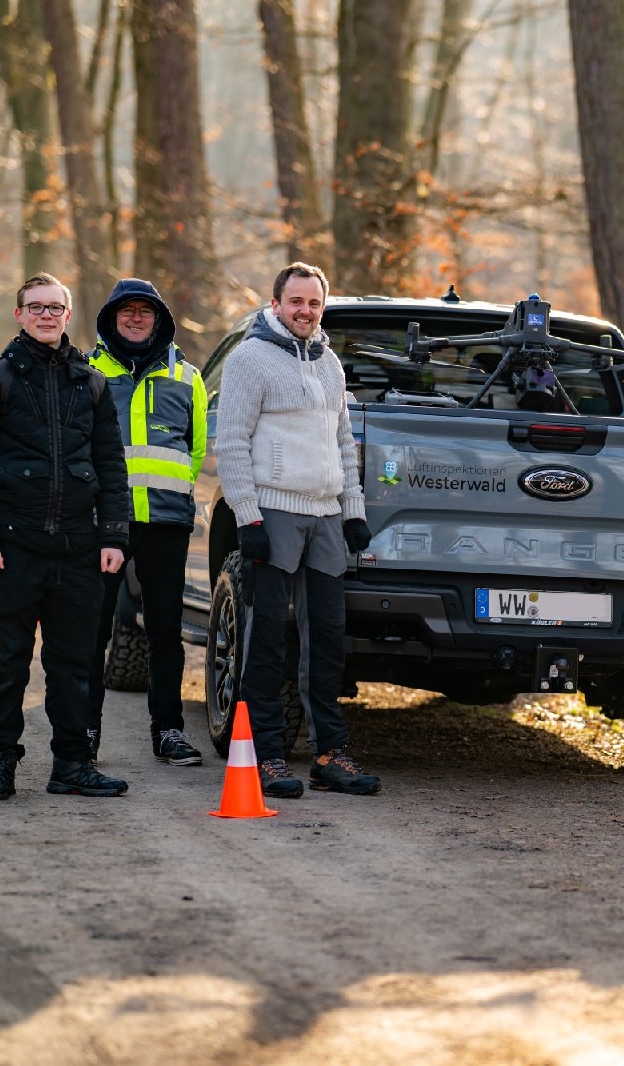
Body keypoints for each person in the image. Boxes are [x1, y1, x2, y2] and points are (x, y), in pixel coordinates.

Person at [0, 272, 132, 800]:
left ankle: (72, 765)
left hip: (78, 549)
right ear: (20, 314)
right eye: (37, 307)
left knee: (74, 666)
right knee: (6, 664)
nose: (47, 315)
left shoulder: (91, 381)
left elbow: (110, 466)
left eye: (56, 307)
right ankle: (0, 765)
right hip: (11, 548)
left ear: (68, 315)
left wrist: (113, 538)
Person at [214, 261, 380, 799]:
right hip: (274, 515)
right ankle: (265, 756)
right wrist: (248, 517)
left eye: (314, 303)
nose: (305, 311)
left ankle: (330, 754)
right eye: (296, 302)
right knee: (265, 641)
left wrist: (353, 510)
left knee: (327, 640)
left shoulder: (331, 364)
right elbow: (231, 443)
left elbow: (342, 444)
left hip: (327, 516)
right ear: (277, 304)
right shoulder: (249, 359)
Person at [86, 279, 208, 767]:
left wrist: (166, 491)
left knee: (164, 630)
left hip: (165, 521)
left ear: (159, 320)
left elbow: (195, 450)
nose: (135, 319)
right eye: (126, 311)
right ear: (111, 318)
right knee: (92, 631)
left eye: (145, 312)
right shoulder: (86, 371)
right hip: (102, 522)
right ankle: (84, 730)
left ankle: (169, 731)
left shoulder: (188, 376)